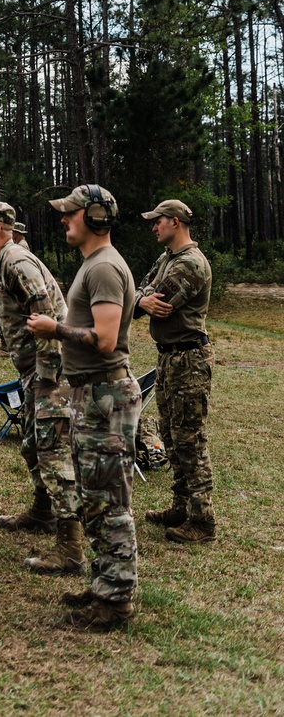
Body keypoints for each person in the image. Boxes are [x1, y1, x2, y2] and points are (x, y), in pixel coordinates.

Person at [28, 184, 141, 632]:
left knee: (110, 502)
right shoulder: (93, 265)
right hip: (91, 394)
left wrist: (55, 328)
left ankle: (115, 602)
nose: (64, 220)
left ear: (95, 218)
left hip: (104, 396)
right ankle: (103, 585)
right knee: (96, 499)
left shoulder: (106, 269)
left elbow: (107, 339)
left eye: (70, 213)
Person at [0, 200, 82, 576]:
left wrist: (47, 377)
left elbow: (47, 317)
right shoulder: (1, 263)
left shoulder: (17, 263)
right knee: (32, 444)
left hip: (54, 369)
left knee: (52, 452)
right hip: (37, 369)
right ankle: (42, 512)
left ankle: (71, 550)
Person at [134, 199, 215, 544]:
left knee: (189, 439)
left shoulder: (192, 264)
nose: (154, 227)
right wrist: (140, 299)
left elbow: (161, 304)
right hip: (169, 358)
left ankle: (203, 520)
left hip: (188, 360)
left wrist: (142, 300)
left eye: (158, 221)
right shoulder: (167, 259)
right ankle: (181, 506)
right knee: (169, 433)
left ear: (176, 222)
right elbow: (140, 293)